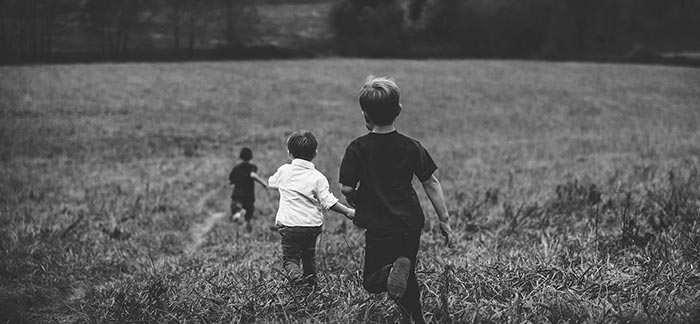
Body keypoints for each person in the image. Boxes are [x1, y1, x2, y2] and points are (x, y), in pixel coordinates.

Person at [339, 76, 453, 323]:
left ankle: (392, 271)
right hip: (409, 223)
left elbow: (346, 189)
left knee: (373, 280)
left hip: (379, 225)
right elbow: (431, 183)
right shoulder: (411, 146)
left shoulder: (357, 148)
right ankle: (415, 319)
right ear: (398, 110)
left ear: (364, 114)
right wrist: (444, 219)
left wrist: (360, 202)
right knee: (406, 277)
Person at [268, 130, 355, 287]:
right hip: (311, 226)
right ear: (315, 153)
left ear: (289, 153)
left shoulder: (283, 171)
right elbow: (328, 201)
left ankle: (296, 279)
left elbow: (272, 182)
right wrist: (348, 211)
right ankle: (311, 285)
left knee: (290, 259)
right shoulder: (318, 177)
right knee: (309, 255)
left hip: (289, 225)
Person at [229, 147, 268, 232]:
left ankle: (238, 213)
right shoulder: (252, 167)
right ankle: (248, 230)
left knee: (235, 209)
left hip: (237, 194)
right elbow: (253, 175)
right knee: (249, 215)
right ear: (250, 157)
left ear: (241, 156)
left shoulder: (236, 168)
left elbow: (231, 179)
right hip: (249, 195)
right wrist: (264, 184)